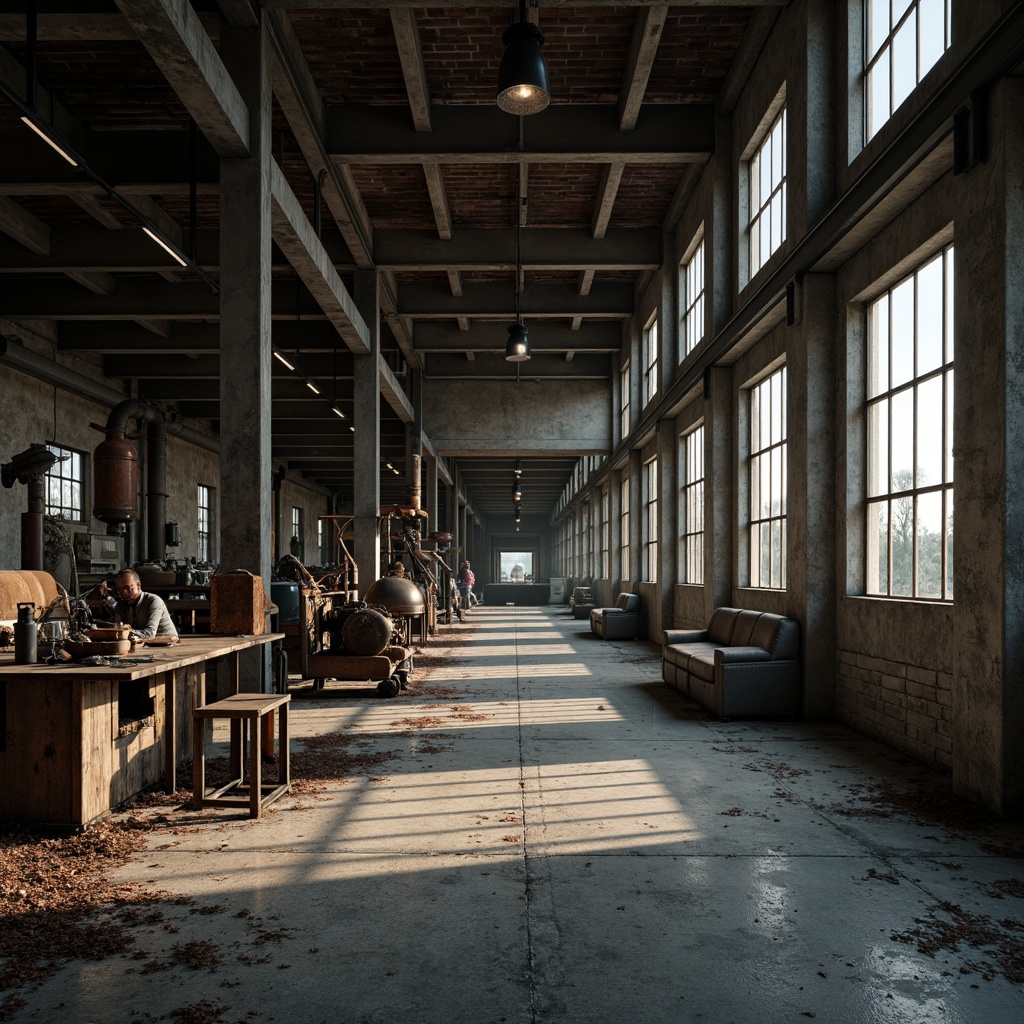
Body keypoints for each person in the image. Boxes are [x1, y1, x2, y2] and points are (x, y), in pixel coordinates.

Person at [107, 569, 178, 641]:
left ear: (138, 585)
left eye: (127, 588)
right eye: (119, 589)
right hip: (144, 645)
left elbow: (150, 634)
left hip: (168, 644)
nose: (123, 593)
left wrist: (128, 631)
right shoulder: (121, 605)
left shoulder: (154, 601)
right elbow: (118, 631)